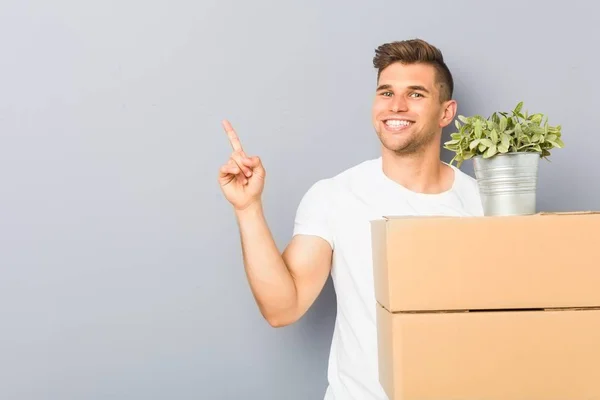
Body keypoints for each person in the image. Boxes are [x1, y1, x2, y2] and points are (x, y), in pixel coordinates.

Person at [217, 38, 484, 400]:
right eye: (386, 93)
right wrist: (248, 209)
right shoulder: (335, 197)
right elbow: (283, 308)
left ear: (446, 112)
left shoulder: (485, 205)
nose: (397, 106)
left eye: (416, 94)